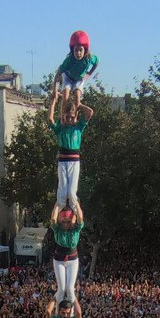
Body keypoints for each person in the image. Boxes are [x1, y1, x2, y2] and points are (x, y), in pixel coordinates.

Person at [48, 95, 93, 225]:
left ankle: (76, 217)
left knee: (72, 193)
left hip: (74, 162)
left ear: (76, 117)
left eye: (72, 117)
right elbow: (50, 119)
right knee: (62, 192)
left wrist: (79, 105)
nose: (69, 120)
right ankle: (56, 217)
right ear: (63, 117)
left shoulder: (78, 127)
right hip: (62, 161)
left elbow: (90, 112)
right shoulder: (60, 128)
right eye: (67, 117)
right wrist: (54, 101)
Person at [53, 29, 99, 113]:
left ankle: (74, 118)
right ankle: (63, 118)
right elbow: (58, 75)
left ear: (85, 50)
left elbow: (97, 62)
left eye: (80, 50)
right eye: (76, 50)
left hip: (79, 79)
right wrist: (54, 91)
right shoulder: (69, 60)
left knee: (77, 98)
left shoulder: (89, 58)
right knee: (65, 97)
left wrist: (89, 74)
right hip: (68, 78)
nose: (78, 53)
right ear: (72, 51)